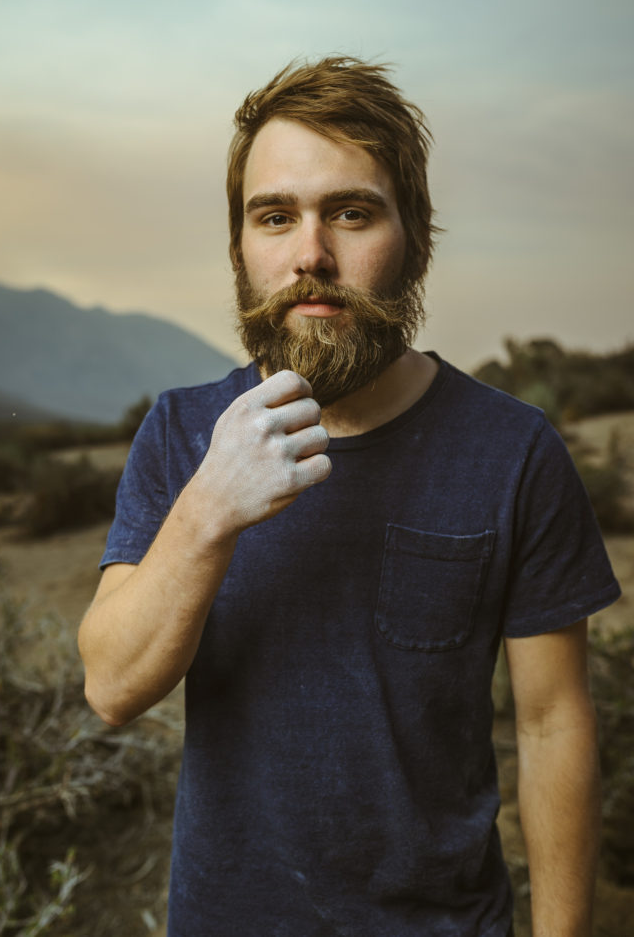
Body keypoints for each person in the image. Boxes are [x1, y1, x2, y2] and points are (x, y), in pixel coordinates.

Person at [79, 57, 620, 937]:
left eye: (353, 213)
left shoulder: (513, 451)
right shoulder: (181, 435)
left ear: (416, 237)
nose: (311, 255)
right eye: (275, 217)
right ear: (239, 247)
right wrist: (210, 509)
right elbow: (111, 685)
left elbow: (555, 723)